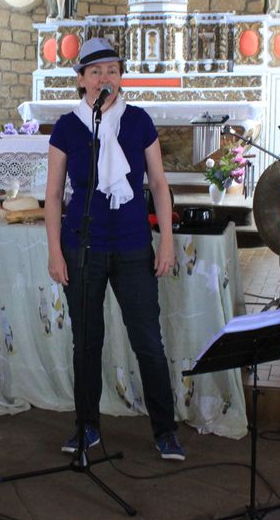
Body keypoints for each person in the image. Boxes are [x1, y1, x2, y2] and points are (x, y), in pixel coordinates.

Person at [44, 37, 184, 461]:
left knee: (148, 341)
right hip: (82, 247)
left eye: (112, 70)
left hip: (132, 244)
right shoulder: (68, 127)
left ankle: (165, 431)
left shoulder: (138, 121)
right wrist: (54, 251)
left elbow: (158, 184)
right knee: (86, 342)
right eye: (95, 71)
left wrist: (167, 243)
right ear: (82, 80)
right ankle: (86, 428)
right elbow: (53, 196)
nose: (105, 77)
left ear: (120, 77)